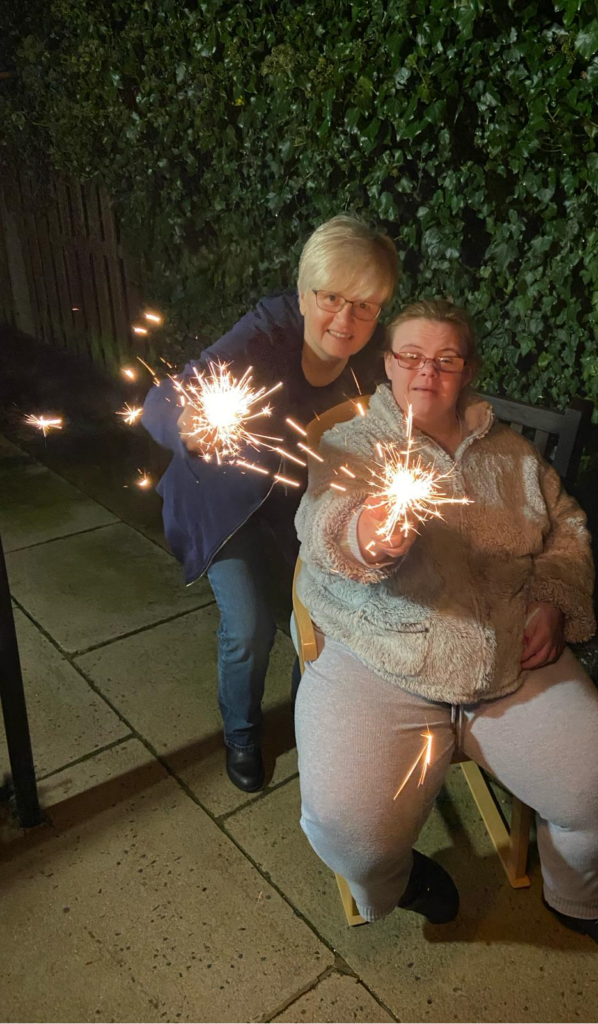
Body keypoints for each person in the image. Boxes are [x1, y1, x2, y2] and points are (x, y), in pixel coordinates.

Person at [293, 299, 598, 970]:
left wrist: (552, 601)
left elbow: (566, 530)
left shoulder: (514, 456)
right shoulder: (350, 446)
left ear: (468, 371)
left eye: (445, 359)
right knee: (350, 831)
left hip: (509, 656)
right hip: (383, 655)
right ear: (387, 363)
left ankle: (580, 900)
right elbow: (325, 521)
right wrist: (365, 537)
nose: (425, 372)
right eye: (410, 356)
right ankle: (399, 882)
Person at [142, 216, 398, 793]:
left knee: (325, 622)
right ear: (304, 293)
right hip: (225, 504)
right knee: (250, 623)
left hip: (301, 513)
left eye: (365, 305)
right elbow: (167, 394)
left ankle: (312, 724)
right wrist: (184, 421)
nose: (345, 319)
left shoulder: (372, 360)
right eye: (331, 297)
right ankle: (242, 733)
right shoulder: (264, 331)